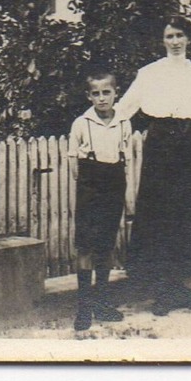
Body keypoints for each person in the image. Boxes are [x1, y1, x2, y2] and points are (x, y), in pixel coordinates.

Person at [117, 13, 191, 314]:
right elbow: (123, 109)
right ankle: (163, 290)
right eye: (170, 36)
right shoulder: (149, 73)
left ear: (189, 39)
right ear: (162, 40)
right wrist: (93, 129)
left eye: (180, 36)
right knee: (161, 216)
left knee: (188, 216)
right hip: (161, 148)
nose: (175, 42)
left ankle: (180, 287)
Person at [67, 69, 135, 331]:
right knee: (85, 245)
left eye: (106, 92)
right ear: (89, 96)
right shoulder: (81, 123)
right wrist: (85, 186)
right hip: (90, 185)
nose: (102, 98)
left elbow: (127, 158)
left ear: (116, 93)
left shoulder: (123, 122)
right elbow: (74, 160)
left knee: (106, 245)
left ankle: (102, 304)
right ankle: (84, 308)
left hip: (114, 182)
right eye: (96, 93)